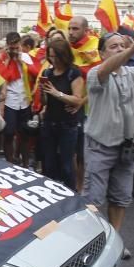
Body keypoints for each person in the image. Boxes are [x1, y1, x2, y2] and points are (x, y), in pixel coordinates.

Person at [83, 34, 134, 258]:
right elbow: (105, 71)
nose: (119, 49)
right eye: (113, 46)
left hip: (126, 146)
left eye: (122, 46)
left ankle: (113, 242)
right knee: (93, 200)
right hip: (99, 146)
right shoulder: (95, 74)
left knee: (120, 197)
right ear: (102, 53)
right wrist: (132, 49)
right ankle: (92, 243)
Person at [38, 37, 84, 187]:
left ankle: (71, 193)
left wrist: (57, 93)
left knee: (66, 164)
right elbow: (45, 102)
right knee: (49, 163)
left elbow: (77, 99)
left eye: (56, 56)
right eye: (50, 56)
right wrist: (43, 93)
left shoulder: (74, 73)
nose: (53, 60)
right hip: (50, 122)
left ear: (64, 55)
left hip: (68, 124)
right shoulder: (47, 72)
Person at [0, 31, 34, 166]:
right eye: (11, 47)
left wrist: (20, 60)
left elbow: (35, 72)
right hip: (9, 101)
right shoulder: (3, 58)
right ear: (7, 45)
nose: (14, 50)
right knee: (9, 133)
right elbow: (1, 75)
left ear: (20, 44)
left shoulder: (25, 57)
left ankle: (25, 164)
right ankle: (10, 163)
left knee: (25, 134)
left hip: (24, 100)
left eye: (16, 47)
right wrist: (7, 60)